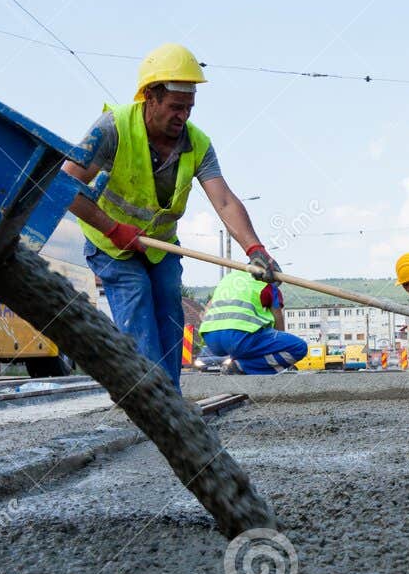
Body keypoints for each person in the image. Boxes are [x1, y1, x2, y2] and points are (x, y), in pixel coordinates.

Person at [62, 43, 281, 389]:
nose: (183, 116)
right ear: (150, 97)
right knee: (137, 301)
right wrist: (113, 228)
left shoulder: (197, 144)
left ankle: (170, 398)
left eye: (189, 107)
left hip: (161, 246)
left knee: (169, 311)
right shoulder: (113, 128)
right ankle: (151, 401)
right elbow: (65, 186)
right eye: (176, 107)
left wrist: (255, 249)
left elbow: (224, 201)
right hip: (111, 244)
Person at [197, 266, 307, 374]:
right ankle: (242, 366)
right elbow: (278, 320)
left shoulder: (228, 280)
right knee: (299, 347)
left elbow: (207, 310)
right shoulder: (268, 286)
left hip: (211, 339)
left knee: (249, 347)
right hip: (239, 338)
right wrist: (277, 347)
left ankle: (238, 366)